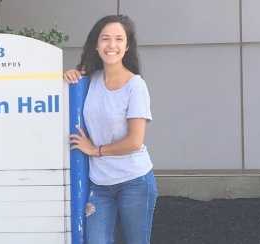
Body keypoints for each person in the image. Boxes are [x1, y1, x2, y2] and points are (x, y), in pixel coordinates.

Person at [65, 15, 157, 244]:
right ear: (96, 46)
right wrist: (67, 77)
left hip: (134, 180)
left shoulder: (136, 86)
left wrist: (95, 150)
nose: (111, 45)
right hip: (100, 184)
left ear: (127, 46)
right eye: (105, 39)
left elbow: (135, 141)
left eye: (119, 39)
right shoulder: (89, 80)